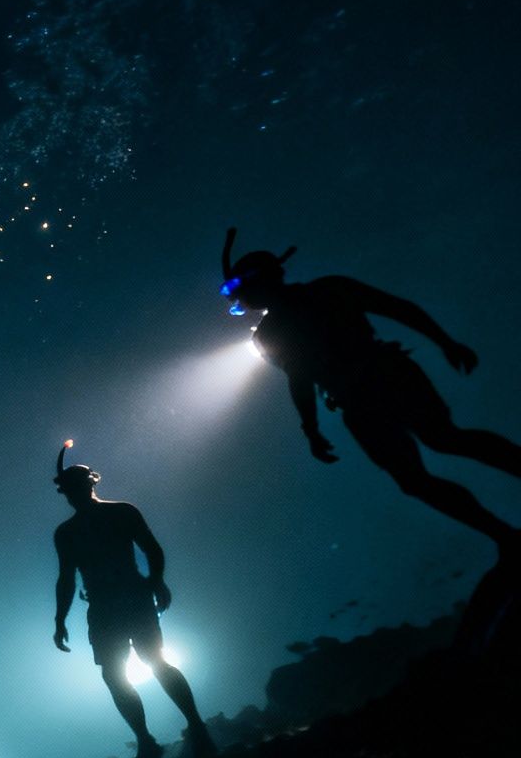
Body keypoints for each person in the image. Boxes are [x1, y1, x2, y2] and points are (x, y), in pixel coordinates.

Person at [221, 228, 521, 549]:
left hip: (371, 392)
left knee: (429, 461)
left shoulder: (281, 325)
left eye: (240, 289)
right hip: (378, 385)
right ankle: (503, 535)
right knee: (436, 452)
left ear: (260, 280)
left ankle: (504, 536)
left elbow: (301, 377)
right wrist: (445, 341)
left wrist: (311, 429)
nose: (241, 300)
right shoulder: (327, 292)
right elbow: (398, 309)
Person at [50, 443, 213, 758]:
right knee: (116, 674)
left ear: (88, 485)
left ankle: (192, 726)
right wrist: (59, 618)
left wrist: (156, 580)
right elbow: (66, 578)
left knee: (152, 664)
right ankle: (148, 740)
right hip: (107, 606)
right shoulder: (69, 533)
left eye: (75, 488)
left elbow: (151, 548)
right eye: (69, 490)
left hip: (128, 601)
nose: (72, 495)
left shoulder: (118, 513)